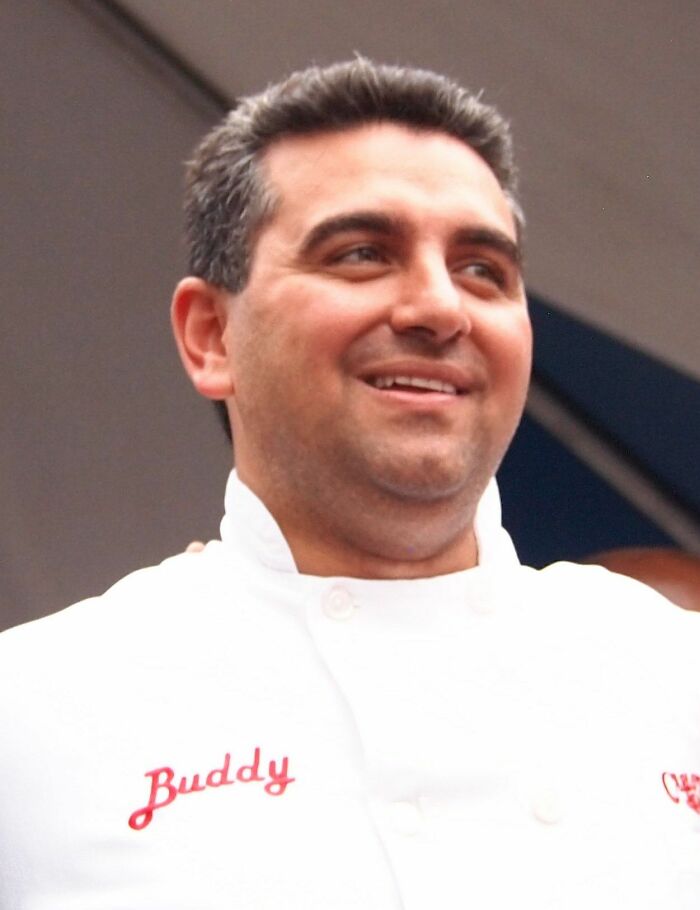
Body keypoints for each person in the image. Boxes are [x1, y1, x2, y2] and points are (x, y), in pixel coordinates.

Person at [1, 58, 698, 909]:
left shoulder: (671, 674)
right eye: (363, 254)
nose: (441, 308)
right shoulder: (37, 716)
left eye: (484, 269)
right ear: (211, 336)